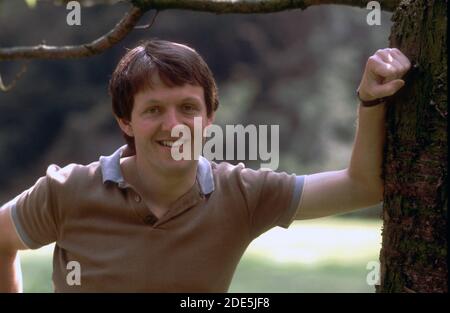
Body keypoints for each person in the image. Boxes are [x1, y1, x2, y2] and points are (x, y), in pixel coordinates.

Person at [0, 39, 411, 292]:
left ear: (209, 118)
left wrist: (371, 99)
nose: (173, 125)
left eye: (188, 108)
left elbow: (360, 187)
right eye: (153, 109)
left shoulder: (242, 194)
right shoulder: (67, 191)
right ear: (125, 120)